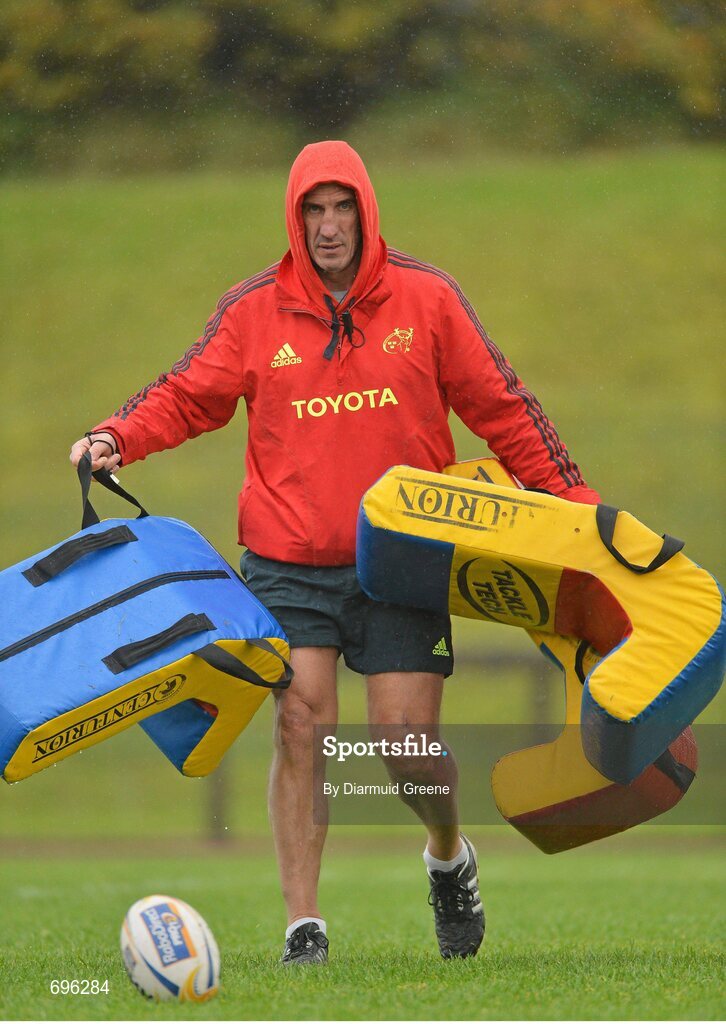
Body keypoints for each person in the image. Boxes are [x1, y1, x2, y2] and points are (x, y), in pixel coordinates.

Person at [70, 140, 600, 965]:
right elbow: (188, 393)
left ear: (366, 211)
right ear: (294, 217)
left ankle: (448, 858)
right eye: (312, 211)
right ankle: (303, 928)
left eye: (341, 208)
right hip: (286, 560)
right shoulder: (254, 310)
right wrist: (117, 437)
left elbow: (502, 407)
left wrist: (575, 508)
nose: (327, 227)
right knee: (300, 724)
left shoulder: (428, 299)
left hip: (403, 553)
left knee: (404, 744)